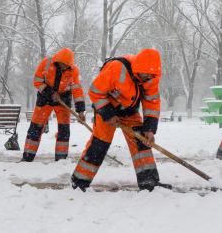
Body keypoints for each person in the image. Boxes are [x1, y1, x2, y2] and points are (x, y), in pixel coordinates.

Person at [71, 48, 170, 192]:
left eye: (150, 76)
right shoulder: (117, 68)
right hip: (107, 106)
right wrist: (108, 114)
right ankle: (79, 181)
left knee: (141, 142)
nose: (147, 79)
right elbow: (95, 91)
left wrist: (149, 129)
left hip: (129, 110)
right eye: (145, 75)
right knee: (100, 144)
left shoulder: (151, 79)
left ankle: (149, 182)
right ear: (138, 68)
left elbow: (152, 104)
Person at [22, 48, 86, 162]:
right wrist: (50, 93)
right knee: (36, 127)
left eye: (66, 65)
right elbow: (37, 81)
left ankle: (61, 159)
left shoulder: (73, 70)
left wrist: (81, 110)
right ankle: (27, 156)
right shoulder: (46, 64)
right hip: (44, 98)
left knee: (64, 129)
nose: (64, 67)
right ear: (57, 60)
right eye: (62, 64)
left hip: (63, 99)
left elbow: (77, 91)